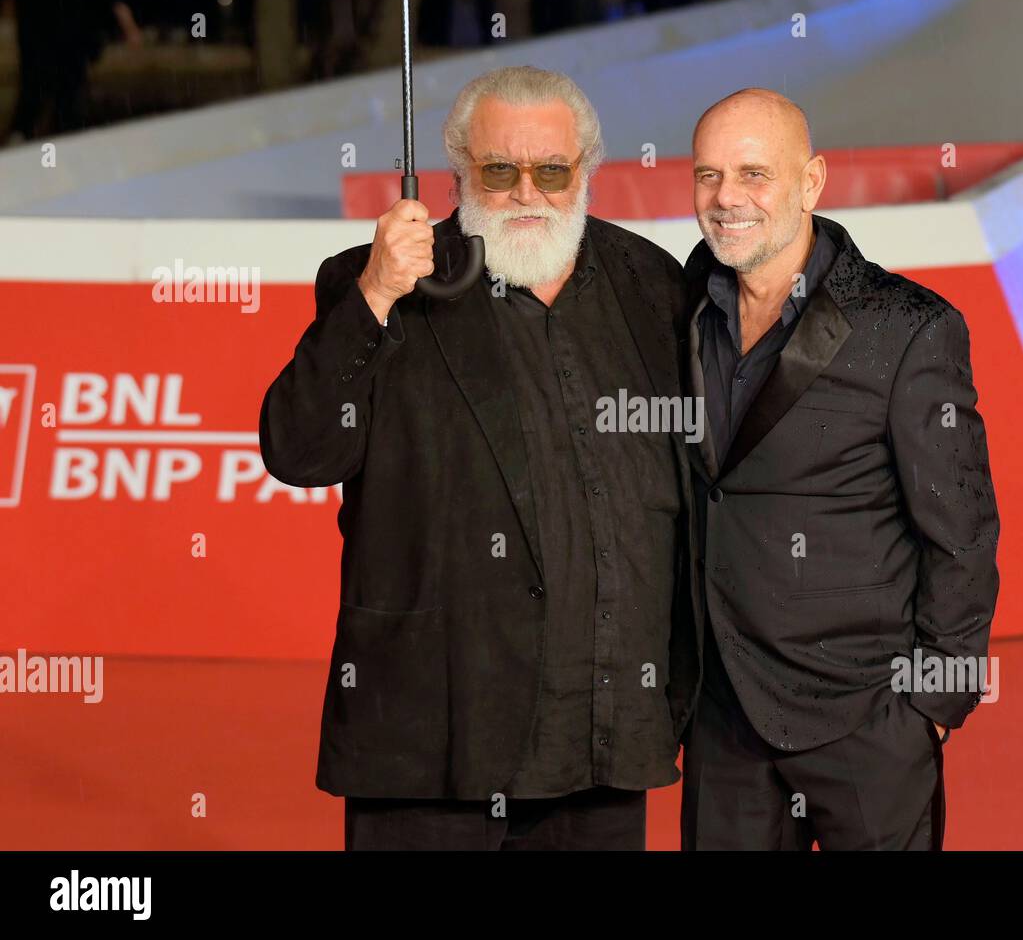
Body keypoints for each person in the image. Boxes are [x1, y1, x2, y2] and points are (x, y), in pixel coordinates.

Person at [259, 65, 701, 850]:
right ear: (459, 168)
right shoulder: (384, 283)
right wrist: (373, 297)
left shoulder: (652, 285)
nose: (527, 192)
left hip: (602, 736)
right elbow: (298, 450)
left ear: (586, 170)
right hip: (432, 744)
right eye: (500, 170)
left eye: (552, 171)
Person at [678, 89, 1000, 850]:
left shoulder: (908, 328)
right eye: (708, 175)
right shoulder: (685, 303)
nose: (727, 199)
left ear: (812, 181)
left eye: (754, 174)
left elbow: (963, 533)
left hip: (868, 720)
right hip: (723, 716)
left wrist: (930, 707)